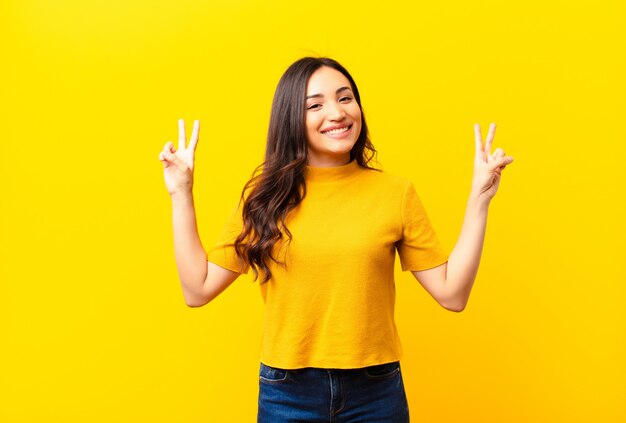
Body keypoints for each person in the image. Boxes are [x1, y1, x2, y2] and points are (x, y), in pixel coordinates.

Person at [158, 57, 514, 422]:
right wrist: (180, 193)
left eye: (345, 98)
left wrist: (480, 199)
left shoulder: (395, 193)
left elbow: (452, 294)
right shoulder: (265, 198)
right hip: (287, 392)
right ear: (291, 119)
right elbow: (197, 289)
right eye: (315, 104)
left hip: (376, 392)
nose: (337, 113)